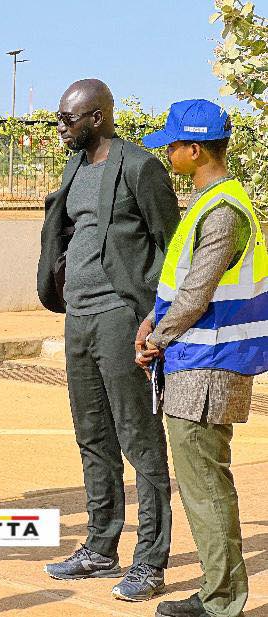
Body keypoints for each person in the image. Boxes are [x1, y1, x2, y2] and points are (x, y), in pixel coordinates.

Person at [36, 79, 181, 601]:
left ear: (97, 118)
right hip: (79, 317)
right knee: (92, 434)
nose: (60, 127)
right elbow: (68, 230)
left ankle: (150, 562)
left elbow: (171, 244)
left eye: (67, 119)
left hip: (124, 319)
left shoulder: (140, 167)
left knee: (139, 440)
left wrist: (152, 313)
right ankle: (100, 546)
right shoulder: (74, 166)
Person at [138, 99, 266, 617]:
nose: (167, 152)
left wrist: (155, 338)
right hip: (196, 359)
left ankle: (222, 601)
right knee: (203, 482)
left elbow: (195, 297)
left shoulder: (222, 211)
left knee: (206, 485)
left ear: (194, 149)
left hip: (211, 364)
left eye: (173, 144)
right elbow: (180, 287)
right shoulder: (208, 204)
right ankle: (221, 593)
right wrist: (153, 320)